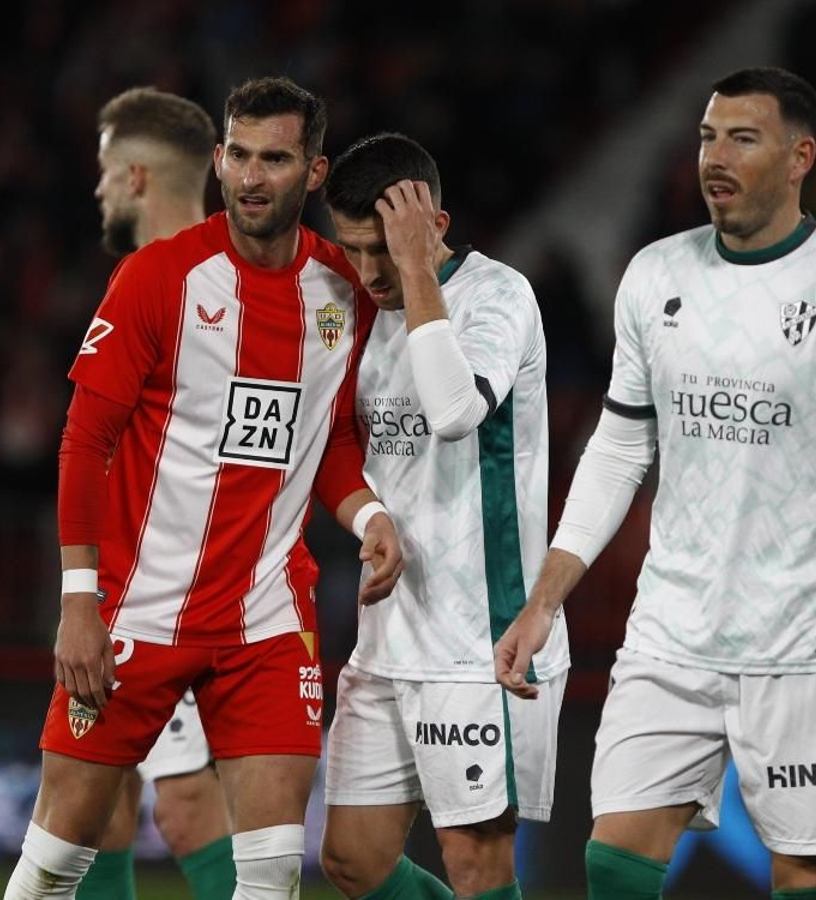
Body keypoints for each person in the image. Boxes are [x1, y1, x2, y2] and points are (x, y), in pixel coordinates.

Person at [494, 67, 816, 900]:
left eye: (743, 137)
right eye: (707, 136)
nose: (715, 156)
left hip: (806, 644)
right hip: (672, 631)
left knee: (809, 874)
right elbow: (619, 449)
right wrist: (546, 596)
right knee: (612, 860)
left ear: (801, 155)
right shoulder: (655, 275)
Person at [4, 76, 405, 900]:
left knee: (267, 876)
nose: (253, 177)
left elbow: (324, 439)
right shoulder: (158, 278)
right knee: (52, 864)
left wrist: (366, 511)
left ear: (315, 172)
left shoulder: (339, 292)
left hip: (265, 616)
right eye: (240, 156)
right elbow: (85, 441)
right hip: (141, 608)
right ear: (218, 160)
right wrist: (80, 601)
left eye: (276, 159)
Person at [316, 133, 567, 900]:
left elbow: (456, 412)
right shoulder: (360, 311)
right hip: (388, 640)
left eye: (381, 248)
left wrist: (418, 267)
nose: (367, 272)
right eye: (353, 250)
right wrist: (370, 521)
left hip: (481, 640)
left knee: (476, 869)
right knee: (351, 859)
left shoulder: (500, 296)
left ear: (433, 226)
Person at [77, 85, 234, 900]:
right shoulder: (154, 280)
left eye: (105, 171)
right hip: (131, 584)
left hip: (182, 595)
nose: (97, 188)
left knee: (184, 809)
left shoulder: (214, 283)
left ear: (136, 177)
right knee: (102, 803)